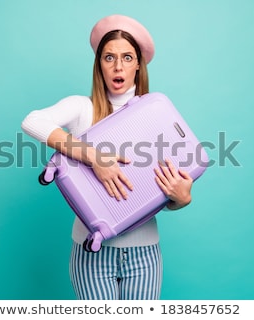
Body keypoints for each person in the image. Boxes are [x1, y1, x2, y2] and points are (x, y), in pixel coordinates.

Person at [21, 14, 193, 300]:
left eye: (127, 57)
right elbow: (32, 121)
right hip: (91, 254)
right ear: (99, 63)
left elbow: (154, 199)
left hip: (145, 254)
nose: (118, 66)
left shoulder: (157, 118)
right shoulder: (81, 109)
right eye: (109, 57)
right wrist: (93, 157)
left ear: (139, 64)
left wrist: (181, 199)